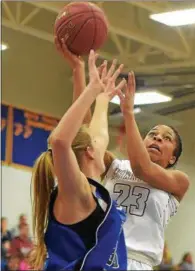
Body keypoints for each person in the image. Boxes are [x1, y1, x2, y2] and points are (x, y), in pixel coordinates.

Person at [59, 41, 190, 270]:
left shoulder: (178, 182)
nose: (157, 138)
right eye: (153, 134)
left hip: (139, 261)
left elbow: (143, 169)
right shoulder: (116, 166)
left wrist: (128, 113)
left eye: (166, 138)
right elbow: (86, 135)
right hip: (102, 253)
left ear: (172, 158)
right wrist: (78, 71)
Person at [29, 47, 128, 270]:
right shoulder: (76, 191)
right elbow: (60, 141)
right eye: (97, 144)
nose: (103, 144)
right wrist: (92, 89)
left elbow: (98, 134)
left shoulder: (91, 190)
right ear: (90, 152)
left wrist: (101, 98)